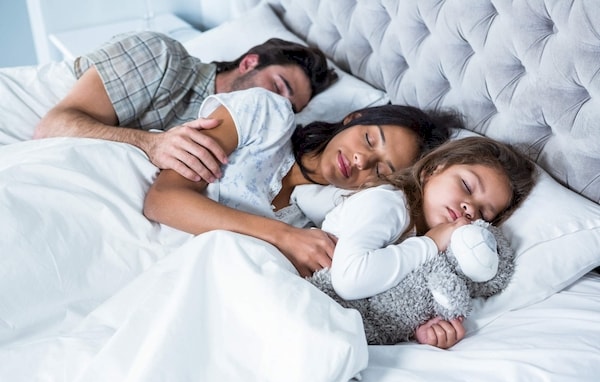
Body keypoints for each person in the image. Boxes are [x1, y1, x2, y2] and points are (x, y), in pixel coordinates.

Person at [143, 87, 463, 277]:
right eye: (368, 139)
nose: (361, 160)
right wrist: (284, 236)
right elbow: (163, 199)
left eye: (380, 170)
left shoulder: (325, 222)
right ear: (353, 118)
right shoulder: (266, 116)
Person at [309, 135, 537, 348]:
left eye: (483, 213)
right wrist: (429, 243)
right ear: (432, 169)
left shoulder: (434, 246)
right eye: (466, 186)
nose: (469, 208)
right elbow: (350, 280)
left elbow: (384, 295)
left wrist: (417, 326)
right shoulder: (388, 203)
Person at [32, 32, 338, 182]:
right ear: (248, 63)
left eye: (288, 107)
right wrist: (150, 144)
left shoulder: (236, 135)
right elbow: (52, 128)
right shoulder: (161, 57)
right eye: (276, 88)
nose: (275, 107)